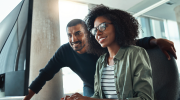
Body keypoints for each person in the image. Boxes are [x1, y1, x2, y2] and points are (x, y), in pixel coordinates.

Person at [24, 17, 177, 100]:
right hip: (91, 87)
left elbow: (131, 43)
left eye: (78, 33)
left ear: (87, 34)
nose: (73, 39)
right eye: (69, 35)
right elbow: (44, 74)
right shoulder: (64, 52)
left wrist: (155, 41)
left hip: (116, 85)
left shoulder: (99, 44)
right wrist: (27, 98)